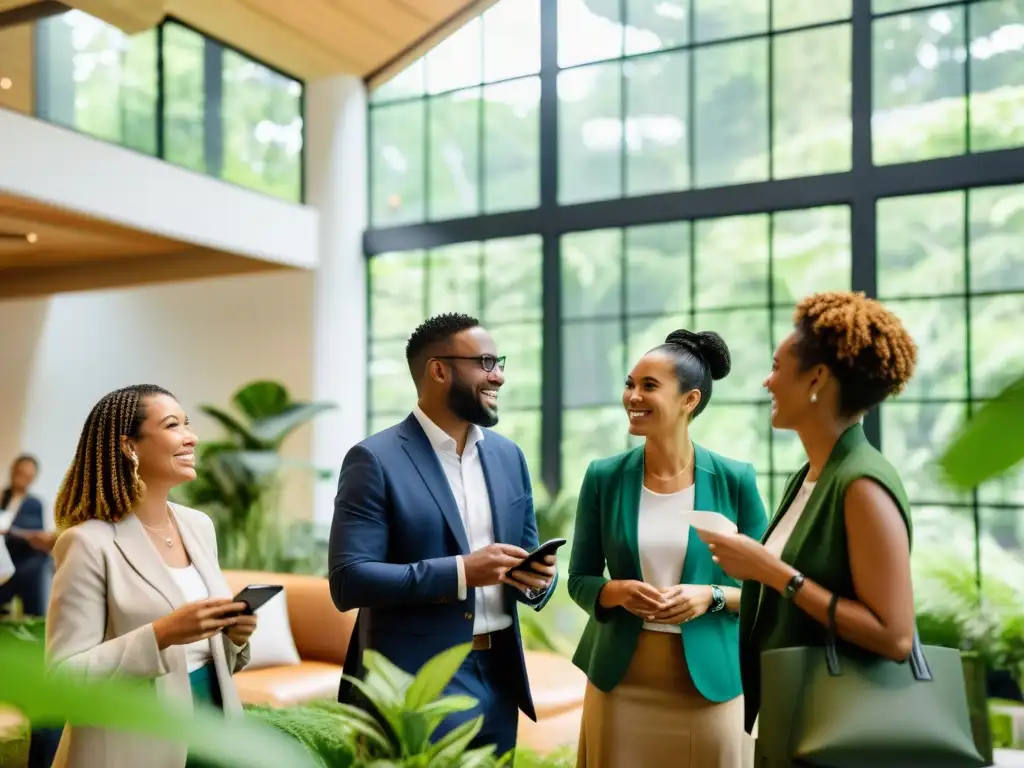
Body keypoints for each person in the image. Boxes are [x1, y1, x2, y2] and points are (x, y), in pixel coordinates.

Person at [329, 313, 558, 757]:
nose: (500, 376)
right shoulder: (373, 460)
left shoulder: (509, 456)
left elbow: (527, 553)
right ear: (439, 369)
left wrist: (537, 580)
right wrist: (461, 572)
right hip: (415, 684)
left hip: (499, 675)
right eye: (487, 362)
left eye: (499, 361)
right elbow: (349, 580)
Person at [695, 291, 918, 735]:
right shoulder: (811, 476)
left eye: (777, 368)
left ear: (816, 379)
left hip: (837, 728)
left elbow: (895, 637)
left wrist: (772, 572)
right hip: (795, 717)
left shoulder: (861, 485)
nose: (767, 382)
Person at [568, 329, 768, 768]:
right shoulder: (603, 477)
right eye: (629, 384)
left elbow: (770, 591)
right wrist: (614, 592)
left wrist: (711, 597)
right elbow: (579, 578)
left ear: (689, 400)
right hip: (619, 682)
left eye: (649, 386)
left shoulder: (737, 480)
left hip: (710, 684)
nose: (632, 396)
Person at [46, 385, 258, 768]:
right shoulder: (87, 543)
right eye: (173, 425)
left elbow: (205, 656)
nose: (191, 437)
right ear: (130, 447)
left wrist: (233, 637)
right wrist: (160, 634)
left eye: (187, 424)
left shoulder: (199, 526)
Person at [0, 454, 56, 617]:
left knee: (38, 564)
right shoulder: (2, 497)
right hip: (3, 558)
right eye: (20, 473)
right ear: (12, 471)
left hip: (23, 560)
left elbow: (38, 535)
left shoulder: (35, 504)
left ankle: (36, 619)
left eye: (28, 475)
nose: (23, 478)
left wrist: (12, 532)